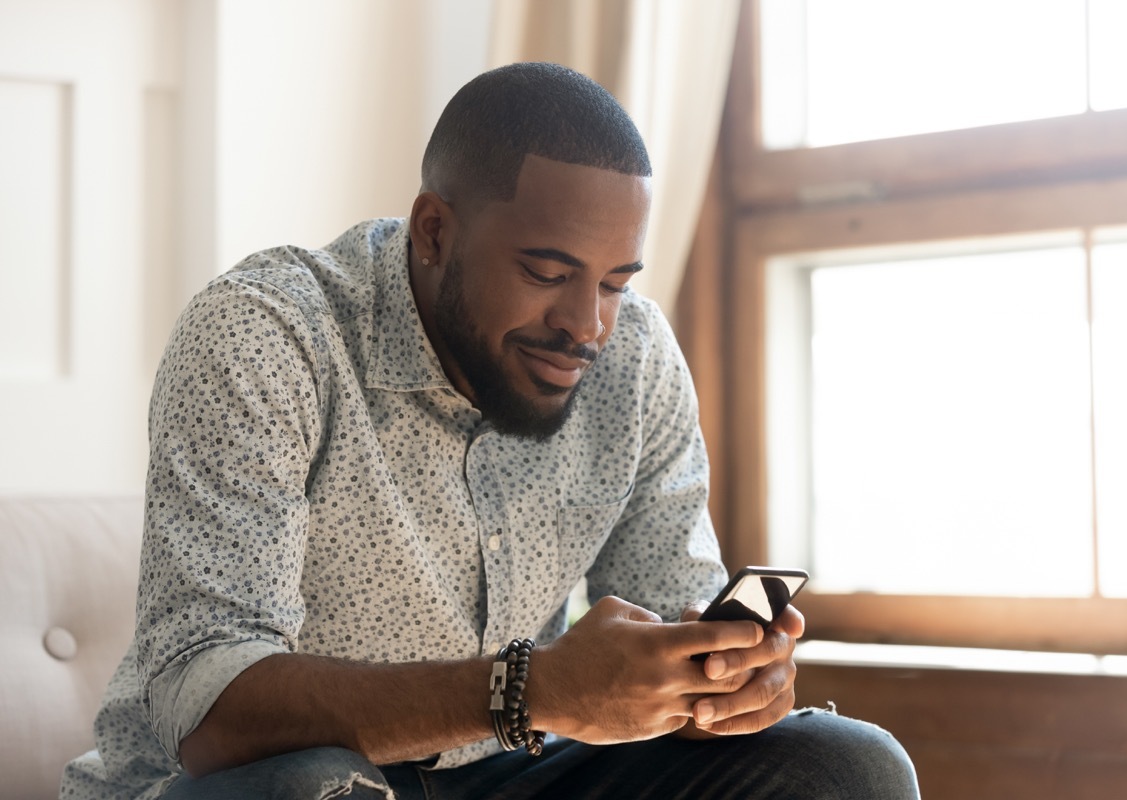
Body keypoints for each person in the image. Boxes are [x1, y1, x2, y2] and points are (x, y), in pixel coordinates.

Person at [61, 62, 919, 800]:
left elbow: (667, 626)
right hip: (252, 783)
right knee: (315, 784)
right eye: (548, 273)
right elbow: (208, 714)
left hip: (515, 769)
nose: (588, 325)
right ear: (436, 231)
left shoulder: (635, 359)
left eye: (616, 282)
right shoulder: (267, 333)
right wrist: (530, 690)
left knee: (848, 768)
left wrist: (718, 684)